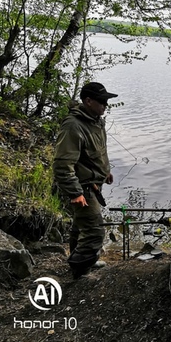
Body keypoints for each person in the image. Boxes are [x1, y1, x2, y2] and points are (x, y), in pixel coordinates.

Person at [53, 82, 118, 279]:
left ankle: (77, 259)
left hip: (94, 183)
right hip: (81, 187)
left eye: (106, 101)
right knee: (95, 231)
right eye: (102, 101)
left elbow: (97, 151)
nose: (105, 105)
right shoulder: (73, 126)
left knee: (79, 226)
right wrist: (75, 193)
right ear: (88, 101)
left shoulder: (96, 120)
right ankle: (81, 272)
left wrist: (104, 171)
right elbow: (62, 164)